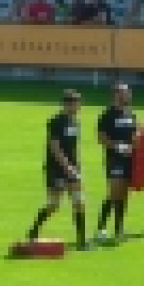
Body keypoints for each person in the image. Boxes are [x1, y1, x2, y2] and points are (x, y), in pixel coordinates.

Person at [25, 90, 88, 249]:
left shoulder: (75, 122)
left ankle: (82, 240)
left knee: (79, 201)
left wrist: (76, 166)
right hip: (56, 168)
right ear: (67, 104)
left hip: (72, 167)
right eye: (76, 104)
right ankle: (34, 230)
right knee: (53, 204)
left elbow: (73, 147)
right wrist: (67, 167)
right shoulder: (55, 122)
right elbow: (55, 147)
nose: (79, 107)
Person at [95, 83, 137, 242]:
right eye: (124, 93)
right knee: (114, 194)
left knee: (124, 195)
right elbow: (101, 137)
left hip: (129, 159)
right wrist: (117, 147)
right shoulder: (107, 115)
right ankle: (101, 229)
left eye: (128, 92)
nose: (128, 95)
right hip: (114, 159)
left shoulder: (131, 114)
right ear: (116, 95)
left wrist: (138, 147)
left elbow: (135, 135)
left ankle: (119, 229)